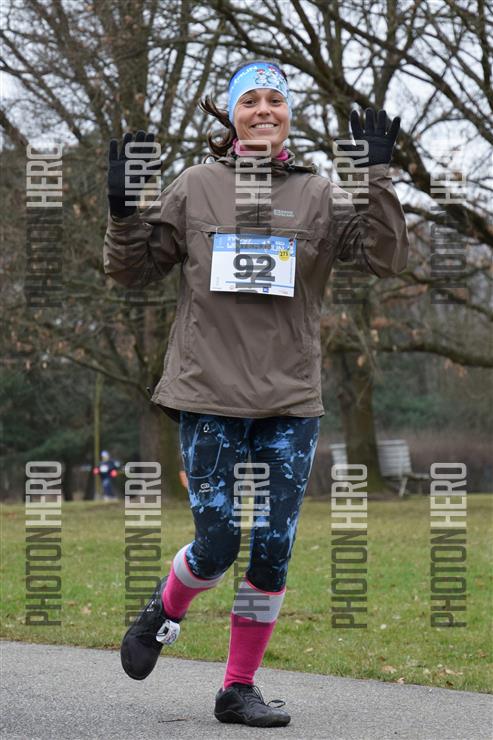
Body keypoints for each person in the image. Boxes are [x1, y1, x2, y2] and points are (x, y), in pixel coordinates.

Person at [103, 59, 409, 728]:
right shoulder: (194, 186)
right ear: (233, 114)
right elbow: (131, 272)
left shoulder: (320, 195)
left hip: (289, 401)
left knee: (273, 549)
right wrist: (123, 213)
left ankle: (236, 688)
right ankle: (163, 611)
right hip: (208, 393)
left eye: (275, 99)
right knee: (217, 543)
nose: (264, 109)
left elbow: (387, 259)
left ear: (288, 114)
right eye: (250, 100)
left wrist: (378, 178)